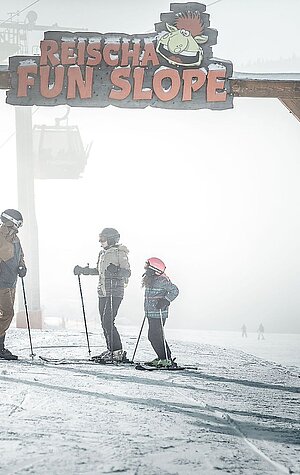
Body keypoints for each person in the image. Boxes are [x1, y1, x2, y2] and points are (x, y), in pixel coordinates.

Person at [74, 228, 130, 362]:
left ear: (111, 239)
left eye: (102, 239)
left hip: (115, 291)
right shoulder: (102, 253)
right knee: (104, 322)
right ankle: (111, 349)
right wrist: (83, 270)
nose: (100, 242)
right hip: (103, 292)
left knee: (108, 321)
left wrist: (116, 270)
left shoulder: (120, 253)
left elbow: (127, 273)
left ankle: (117, 351)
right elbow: (98, 271)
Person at [142, 257, 179, 368]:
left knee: (154, 336)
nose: (146, 270)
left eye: (148, 268)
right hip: (151, 313)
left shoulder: (163, 281)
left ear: (155, 269)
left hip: (159, 313)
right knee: (155, 336)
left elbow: (175, 290)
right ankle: (163, 357)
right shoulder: (150, 279)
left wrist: (165, 300)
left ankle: (166, 358)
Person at [0, 209, 27, 360]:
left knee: (5, 314)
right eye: (18, 223)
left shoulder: (15, 239)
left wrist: (22, 267)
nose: (19, 226)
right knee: (7, 313)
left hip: (11, 281)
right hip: (1, 282)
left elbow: (20, 255)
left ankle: (0, 347)